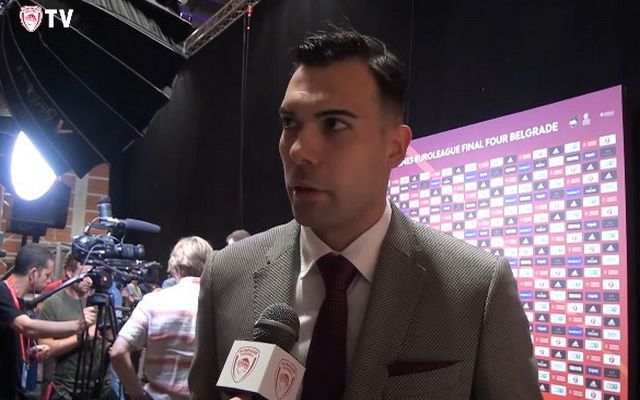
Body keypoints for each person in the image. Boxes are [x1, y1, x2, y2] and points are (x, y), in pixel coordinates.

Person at [189, 28, 541, 400]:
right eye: (290, 123)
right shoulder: (227, 275)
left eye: (334, 124)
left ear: (395, 147)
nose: (299, 151)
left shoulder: (475, 288)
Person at [111, 236, 214, 399]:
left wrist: (138, 395)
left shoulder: (153, 301)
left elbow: (118, 352)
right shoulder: (220, 304)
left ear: (175, 266)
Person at [0, 243, 96, 399]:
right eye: (47, 275)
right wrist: (77, 325)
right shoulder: (2, 292)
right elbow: (27, 326)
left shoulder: (18, 301)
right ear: (33, 274)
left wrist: (30, 353)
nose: (49, 280)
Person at [38, 253, 116, 400]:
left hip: (102, 388)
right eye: (86, 275)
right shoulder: (53, 304)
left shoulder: (101, 301)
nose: (89, 280)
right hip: (67, 389)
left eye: (93, 275)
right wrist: (81, 337)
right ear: (70, 272)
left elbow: (110, 337)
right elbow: (45, 350)